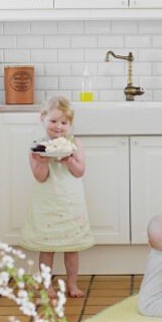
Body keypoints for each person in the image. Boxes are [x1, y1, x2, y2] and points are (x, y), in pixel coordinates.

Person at [19, 96, 94, 297]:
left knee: (72, 247)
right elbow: (40, 177)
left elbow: (80, 172)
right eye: (53, 121)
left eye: (64, 122)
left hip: (70, 202)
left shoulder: (75, 144)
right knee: (47, 247)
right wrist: (42, 161)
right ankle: (46, 285)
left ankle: (72, 283)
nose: (58, 126)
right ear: (42, 119)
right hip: (47, 202)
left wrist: (69, 160)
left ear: (70, 124)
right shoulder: (37, 147)